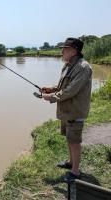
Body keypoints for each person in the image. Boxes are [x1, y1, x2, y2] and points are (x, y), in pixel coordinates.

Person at [40, 37, 92, 183]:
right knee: (69, 139)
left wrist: (50, 97)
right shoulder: (67, 65)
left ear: (74, 51)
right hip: (66, 111)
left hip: (75, 111)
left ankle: (75, 172)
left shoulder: (83, 67)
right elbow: (62, 87)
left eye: (65, 49)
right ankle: (70, 162)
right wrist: (51, 89)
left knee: (75, 142)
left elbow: (70, 91)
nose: (62, 51)